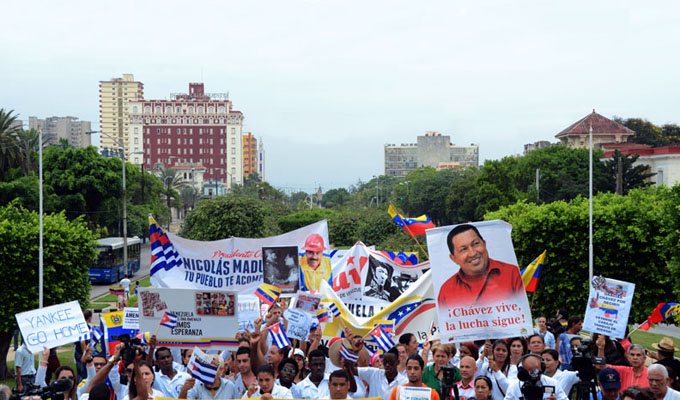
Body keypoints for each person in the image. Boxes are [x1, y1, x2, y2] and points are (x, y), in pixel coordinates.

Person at [438, 224, 524, 309]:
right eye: (463, 249)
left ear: (484, 244)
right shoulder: (445, 291)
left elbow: (523, 313)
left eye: (475, 244)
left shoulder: (511, 273)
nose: (473, 253)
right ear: (453, 258)